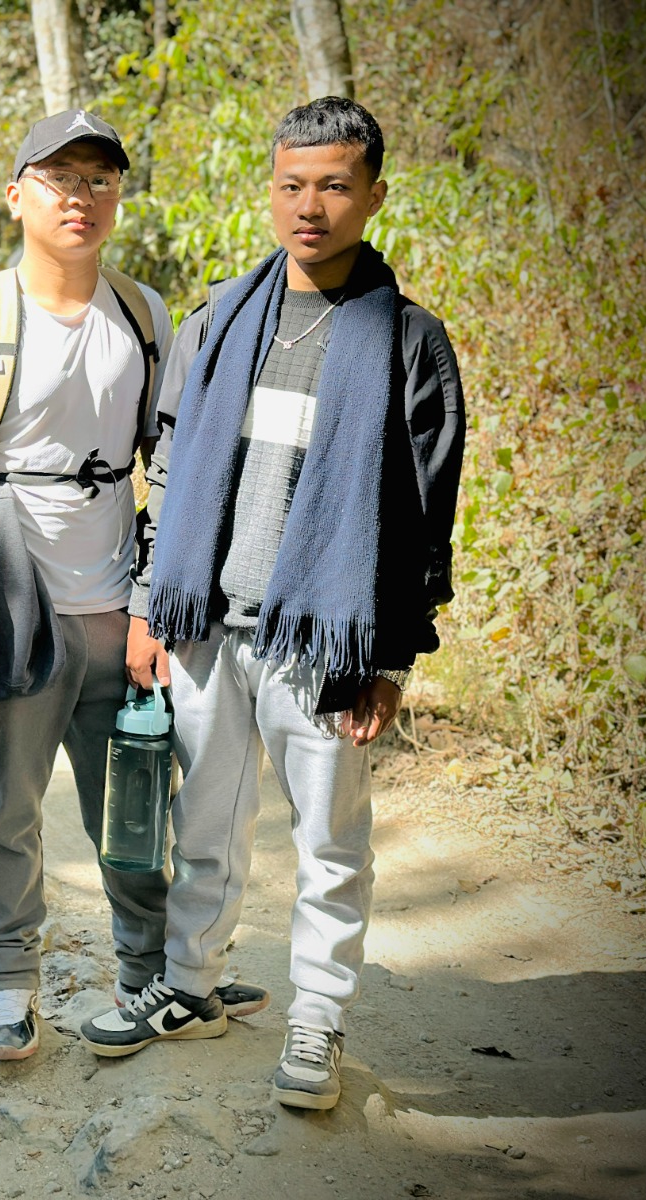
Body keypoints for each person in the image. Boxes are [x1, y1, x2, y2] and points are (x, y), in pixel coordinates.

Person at [79, 98, 466, 1111]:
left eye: (335, 185)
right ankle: (190, 988)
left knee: (329, 843)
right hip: (207, 626)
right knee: (202, 827)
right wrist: (147, 606)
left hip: (323, 641)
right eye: (292, 184)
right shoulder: (219, 322)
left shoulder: (407, 341)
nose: (310, 206)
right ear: (270, 189)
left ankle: (317, 1019)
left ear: (374, 196)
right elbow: (169, 472)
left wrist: (391, 659)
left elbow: (426, 517)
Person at [0, 110, 268, 1062]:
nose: (81, 196)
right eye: (59, 178)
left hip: (119, 614)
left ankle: (149, 971)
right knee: (5, 811)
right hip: (12, 609)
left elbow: (174, 469)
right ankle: (6, 985)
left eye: (100, 179)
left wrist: (153, 607)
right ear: (16, 195)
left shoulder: (144, 317)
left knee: (135, 805)